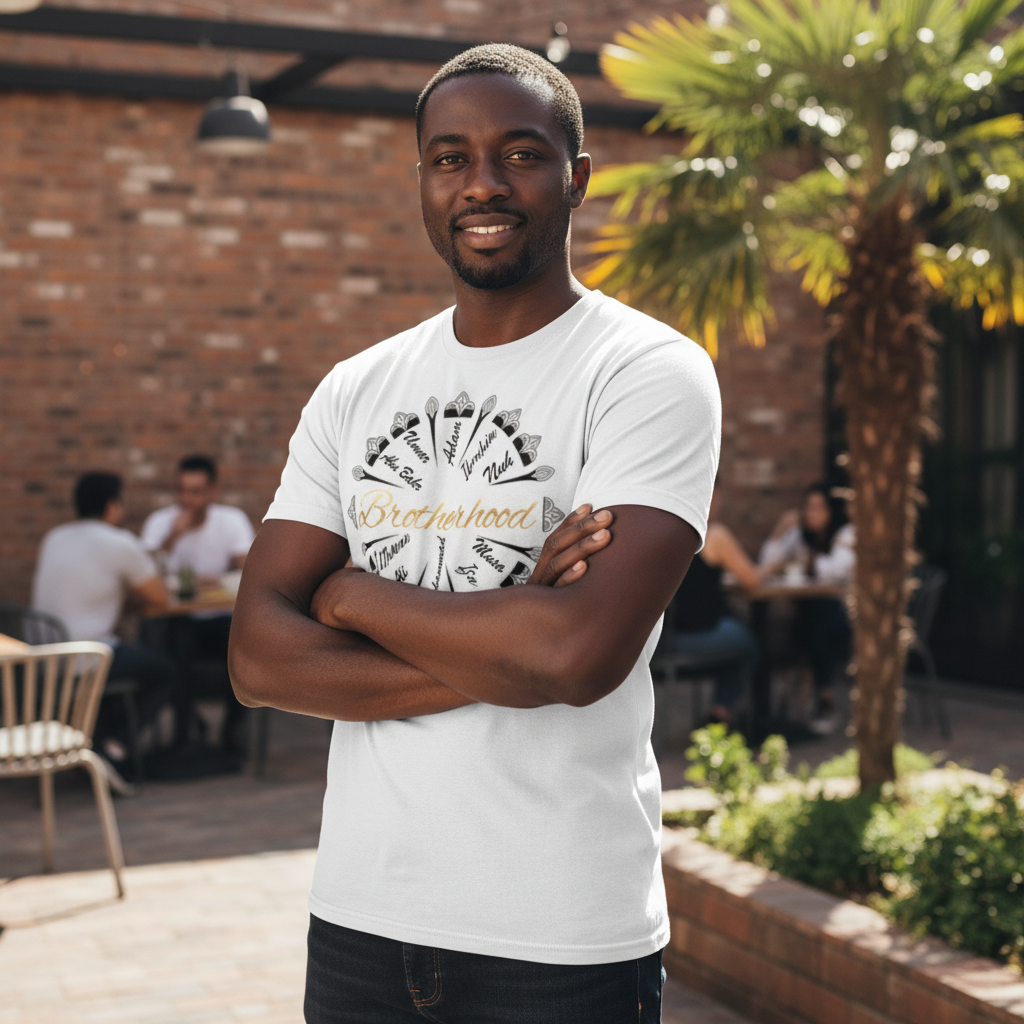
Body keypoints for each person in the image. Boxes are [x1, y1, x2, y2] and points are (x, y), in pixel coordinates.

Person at [230, 45, 720, 1023]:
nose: (482, 183)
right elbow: (257, 657)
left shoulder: (643, 372)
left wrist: (351, 598)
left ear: (577, 177)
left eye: (521, 154)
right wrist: (512, 630)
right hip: (361, 917)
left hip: (559, 933)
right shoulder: (356, 387)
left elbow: (576, 654)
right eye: (449, 158)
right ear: (421, 179)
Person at [32, 472, 179, 771]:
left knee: (129, 656)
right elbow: (160, 597)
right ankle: (115, 744)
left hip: (43, 659)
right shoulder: (118, 542)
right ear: (113, 506)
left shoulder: (54, 537)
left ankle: (94, 738)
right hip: (86, 658)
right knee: (167, 672)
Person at [141, 455, 254, 752]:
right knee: (160, 638)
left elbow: (250, 569)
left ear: (213, 491)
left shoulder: (231, 520)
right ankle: (186, 725)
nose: (187, 499)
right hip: (179, 619)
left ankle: (233, 728)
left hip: (219, 617)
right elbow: (145, 571)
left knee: (244, 645)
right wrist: (173, 536)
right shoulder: (161, 522)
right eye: (182, 490)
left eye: (196, 491)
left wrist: (208, 581)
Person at [760, 482, 855, 733]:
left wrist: (805, 560)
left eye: (818, 508)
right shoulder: (798, 535)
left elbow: (837, 571)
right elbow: (767, 563)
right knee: (804, 619)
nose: (811, 514)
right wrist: (780, 531)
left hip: (847, 616)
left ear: (832, 511)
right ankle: (795, 696)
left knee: (818, 619)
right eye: (807, 507)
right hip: (808, 613)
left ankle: (817, 696)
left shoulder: (845, 535)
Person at [668, 486, 765, 724]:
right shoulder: (714, 535)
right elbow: (751, 581)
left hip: (661, 642)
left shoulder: (664, 530)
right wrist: (777, 563)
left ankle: (718, 714)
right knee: (749, 643)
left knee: (734, 641)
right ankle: (722, 714)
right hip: (694, 638)